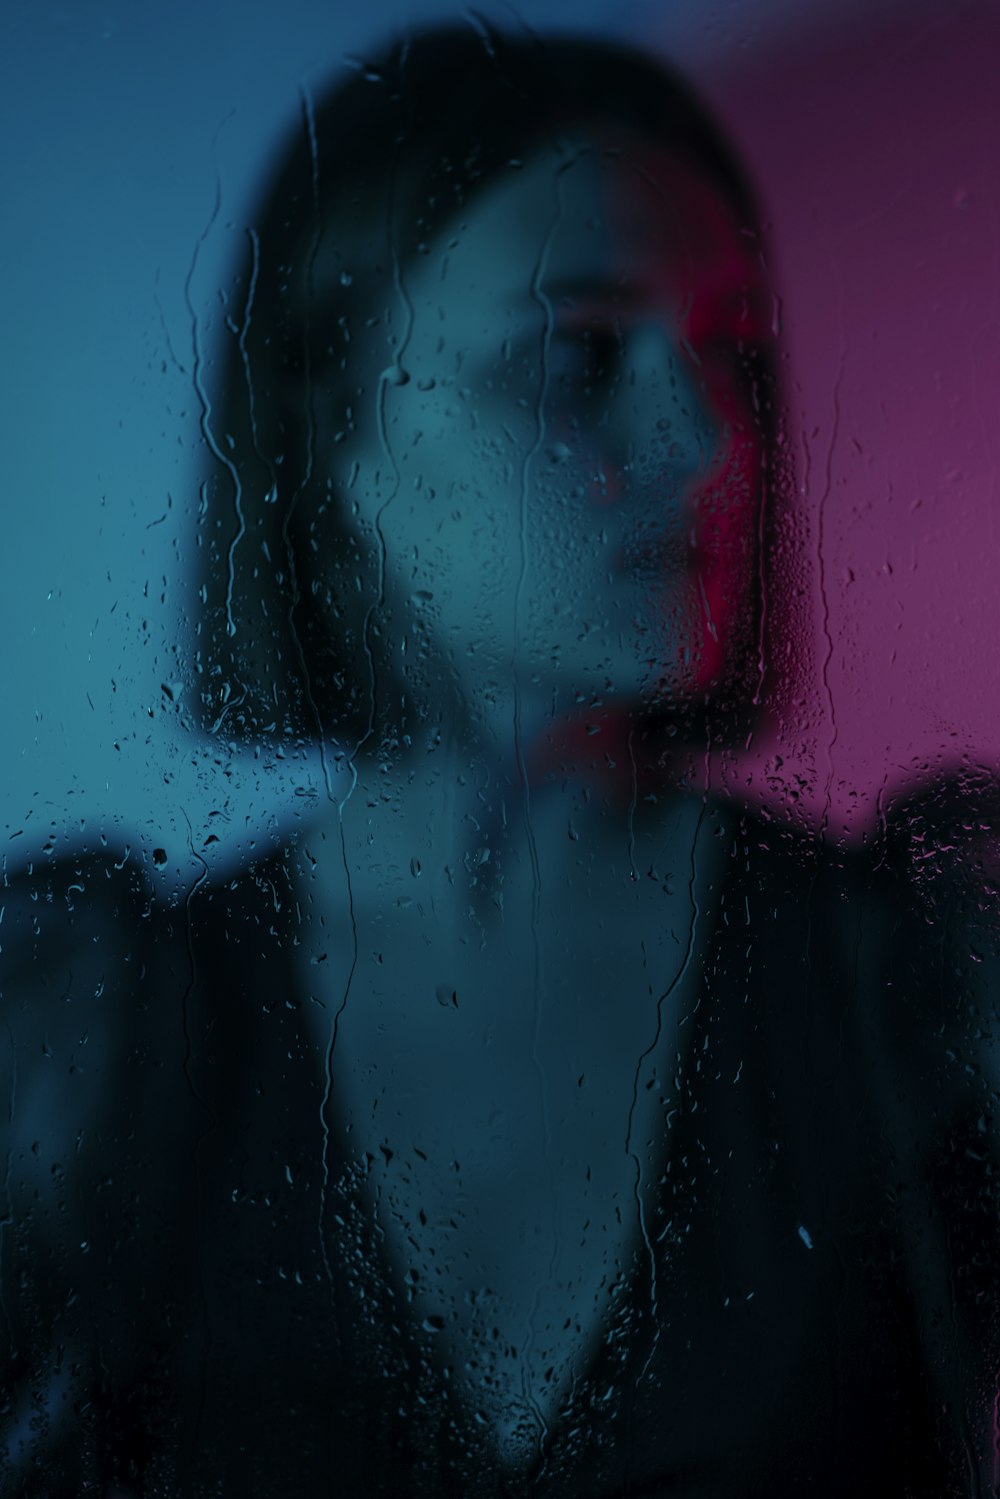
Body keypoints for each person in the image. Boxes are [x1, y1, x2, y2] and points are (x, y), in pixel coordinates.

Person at [3, 23, 997, 1498]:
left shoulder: (921, 979)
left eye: (730, 356)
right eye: (578, 357)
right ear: (333, 439)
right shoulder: (88, 1039)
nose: (710, 441)